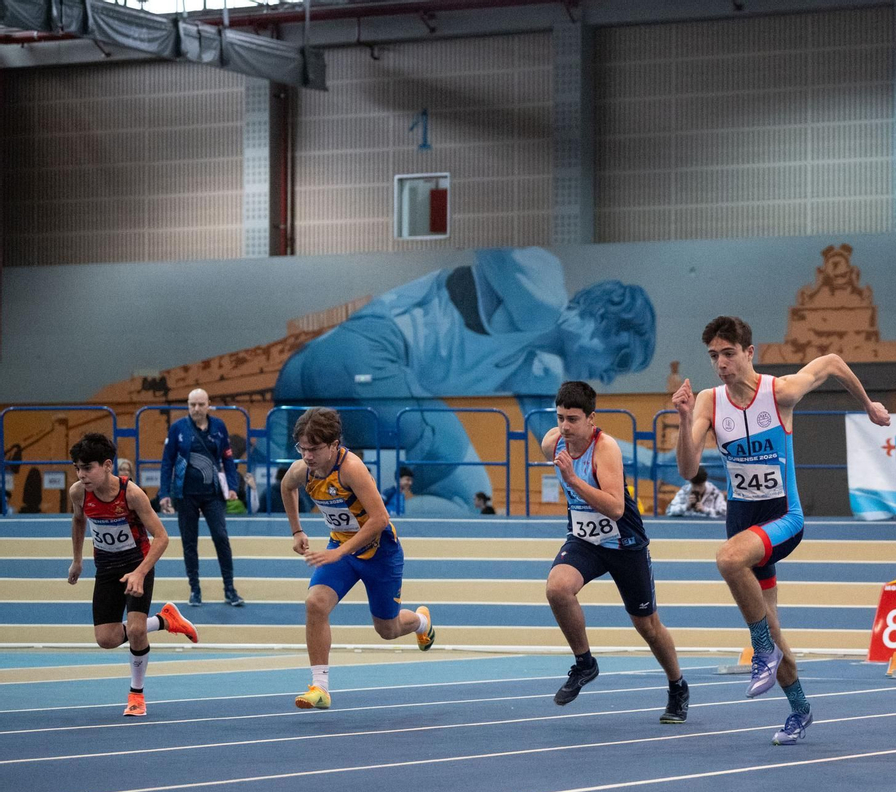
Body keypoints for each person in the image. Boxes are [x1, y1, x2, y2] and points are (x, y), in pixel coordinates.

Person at [274, 247, 655, 514]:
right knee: (471, 498)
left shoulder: (534, 367)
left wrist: (659, 462)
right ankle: (372, 535)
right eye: (621, 358)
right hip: (371, 356)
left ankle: (293, 512)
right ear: (599, 317)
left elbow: (569, 442)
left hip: (304, 368)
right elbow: (489, 241)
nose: (609, 376)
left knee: (287, 480)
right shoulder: (546, 295)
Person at [673, 315, 891, 744]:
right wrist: (683, 420)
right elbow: (687, 468)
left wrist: (868, 405)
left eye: (729, 354)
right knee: (770, 623)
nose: (721, 364)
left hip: (783, 520)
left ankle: (761, 650)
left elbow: (831, 361)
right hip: (742, 524)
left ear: (749, 352)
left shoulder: (780, 392)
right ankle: (800, 709)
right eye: (714, 356)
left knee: (728, 560)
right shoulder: (709, 402)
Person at [539, 381, 690, 722]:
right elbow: (552, 441)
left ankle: (677, 685)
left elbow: (616, 508)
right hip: (585, 541)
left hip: (624, 543)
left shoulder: (605, 449)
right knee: (557, 589)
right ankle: (585, 663)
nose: (565, 427)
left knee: (648, 626)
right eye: (560, 418)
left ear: (591, 419)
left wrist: (574, 481)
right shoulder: (554, 442)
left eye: (573, 419)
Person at [278, 407, 435, 710]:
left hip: (380, 553)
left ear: (334, 444)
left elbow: (380, 519)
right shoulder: (303, 470)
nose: (307, 456)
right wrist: (296, 530)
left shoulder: (351, 469)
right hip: (341, 549)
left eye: (314, 449)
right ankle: (320, 687)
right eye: (302, 448)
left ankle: (421, 622)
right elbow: (287, 487)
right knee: (315, 604)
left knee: (387, 630)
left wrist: (338, 552)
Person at [67, 433, 199, 717]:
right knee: (106, 639)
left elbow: (162, 537)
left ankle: (136, 695)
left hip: (137, 563)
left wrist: (140, 572)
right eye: (77, 468)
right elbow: (78, 520)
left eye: (87, 468)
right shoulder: (78, 492)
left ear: (107, 465)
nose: (81, 475)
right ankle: (165, 620)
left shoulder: (131, 494)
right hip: (106, 568)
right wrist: (77, 560)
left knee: (137, 630)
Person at [159, 388, 244, 607]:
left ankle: (230, 589)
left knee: (221, 538)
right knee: (189, 542)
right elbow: (167, 462)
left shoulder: (219, 426)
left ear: (208, 405)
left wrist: (232, 486)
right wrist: (164, 493)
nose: (196, 409)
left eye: (200, 404)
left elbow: (227, 458)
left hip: (213, 494)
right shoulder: (178, 428)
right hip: (185, 494)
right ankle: (195, 589)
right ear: (188, 405)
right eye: (192, 405)